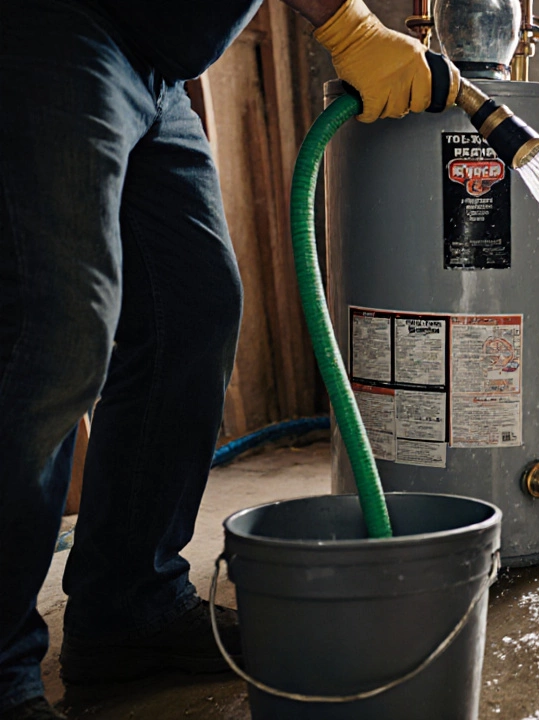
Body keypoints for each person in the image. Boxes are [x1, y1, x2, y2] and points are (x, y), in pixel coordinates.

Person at [0, 0, 460, 716]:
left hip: (157, 66)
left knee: (195, 309)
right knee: (53, 331)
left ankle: (129, 610)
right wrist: (349, 25)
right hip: (61, 27)